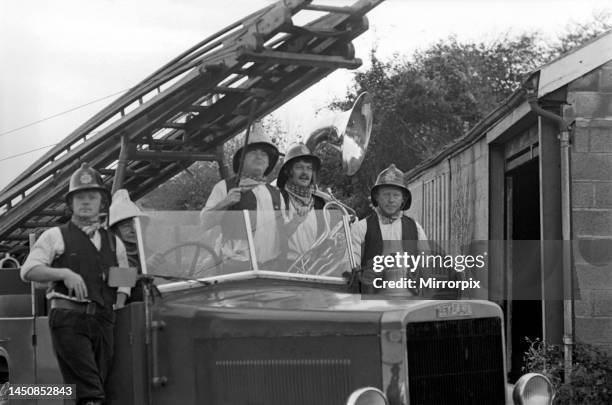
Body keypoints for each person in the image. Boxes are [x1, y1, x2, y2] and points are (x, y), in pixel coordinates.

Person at [21, 163, 131, 405]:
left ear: (102, 203)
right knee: (91, 391)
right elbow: (28, 270)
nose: (86, 202)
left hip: (103, 320)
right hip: (69, 319)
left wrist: (117, 305)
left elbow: (123, 281)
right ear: (70, 203)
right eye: (80, 197)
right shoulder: (55, 235)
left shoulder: (114, 242)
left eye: (92, 196)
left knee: (98, 385)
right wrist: (63, 273)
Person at [200, 130, 284, 270]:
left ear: (268, 163)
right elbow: (204, 223)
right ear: (241, 160)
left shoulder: (276, 193)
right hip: (237, 266)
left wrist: (298, 221)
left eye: (264, 154)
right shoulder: (225, 187)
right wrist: (225, 203)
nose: (259, 156)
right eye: (252, 152)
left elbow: (283, 231)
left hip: (271, 267)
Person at [351, 164, 428, 294]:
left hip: (409, 301)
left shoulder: (415, 228)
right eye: (386, 194)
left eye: (396, 195)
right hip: (372, 302)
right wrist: (362, 274)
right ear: (376, 197)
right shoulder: (361, 227)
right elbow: (351, 265)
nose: (391, 200)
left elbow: (427, 264)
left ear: (403, 199)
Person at [277, 143, 328, 261]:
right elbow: (271, 238)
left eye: (309, 168)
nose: (305, 173)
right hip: (284, 269)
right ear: (288, 171)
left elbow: (323, 241)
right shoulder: (278, 197)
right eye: (299, 167)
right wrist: (295, 222)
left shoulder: (319, 204)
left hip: (313, 271)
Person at [108, 188, 147, 303]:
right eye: (126, 226)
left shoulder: (147, 250)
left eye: (135, 224)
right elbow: (115, 281)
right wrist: (145, 272)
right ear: (115, 231)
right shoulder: (111, 254)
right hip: (128, 311)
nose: (133, 229)